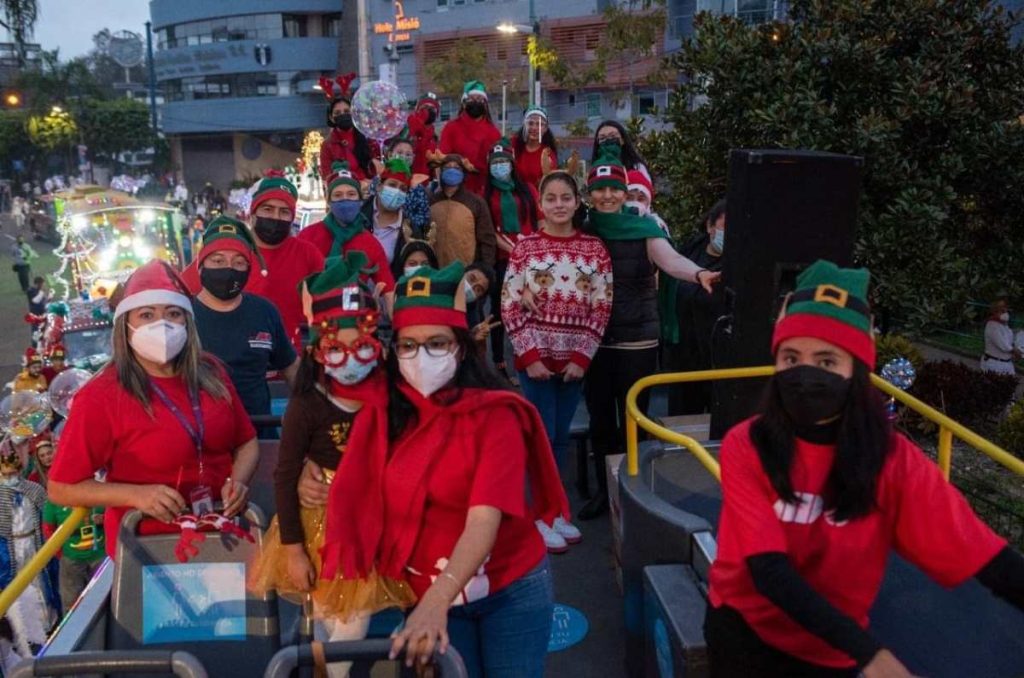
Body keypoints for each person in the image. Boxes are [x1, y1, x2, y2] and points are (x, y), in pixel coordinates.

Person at [705, 259, 1024, 677]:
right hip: (745, 633)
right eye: (790, 357)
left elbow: (984, 556)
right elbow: (768, 571)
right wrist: (872, 655)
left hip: (830, 654)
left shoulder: (894, 461)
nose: (804, 374)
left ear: (856, 370)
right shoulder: (748, 443)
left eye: (826, 361)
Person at [319, 262, 569, 677]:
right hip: (422, 592)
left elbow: (483, 520)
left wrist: (435, 603)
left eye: (436, 342)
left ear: (461, 345)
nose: (421, 356)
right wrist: (314, 475)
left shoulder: (496, 415)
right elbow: (351, 473)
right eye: (408, 345)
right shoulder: (384, 412)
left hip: (508, 589)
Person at [249, 253, 414, 678]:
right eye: (335, 347)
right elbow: (284, 473)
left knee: (348, 633)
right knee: (333, 630)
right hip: (324, 527)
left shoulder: (394, 394)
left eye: (360, 343)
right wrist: (293, 548)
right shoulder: (308, 403)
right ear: (317, 350)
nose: (350, 356)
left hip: (380, 518)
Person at [47, 260, 259, 559]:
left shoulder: (212, 373)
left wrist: (238, 480)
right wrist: (135, 495)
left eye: (173, 314)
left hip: (220, 537)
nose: (162, 325)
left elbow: (246, 442)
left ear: (187, 321)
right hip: (148, 551)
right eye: (147, 315)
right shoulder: (101, 395)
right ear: (126, 325)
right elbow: (61, 487)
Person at [579, 147, 719, 519]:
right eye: (600, 189)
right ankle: (602, 491)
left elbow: (670, 261)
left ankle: (636, 492)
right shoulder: (583, 227)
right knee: (600, 419)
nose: (607, 196)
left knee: (634, 418)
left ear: (625, 193)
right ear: (590, 193)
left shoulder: (645, 229)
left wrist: (699, 273)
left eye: (614, 189)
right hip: (594, 341)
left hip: (637, 339)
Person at [502, 170, 613, 551]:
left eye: (566, 197)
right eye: (551, 198)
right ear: (541, 204)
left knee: (560, 438)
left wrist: (583, 357)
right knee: (541, 438)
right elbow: (510, 305)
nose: (559, 205)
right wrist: (530, 355)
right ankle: (537, 515)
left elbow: (601, 306)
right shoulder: (525, 249)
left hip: (572, 364)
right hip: (536, 363)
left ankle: (555, 510)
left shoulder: (595, 251)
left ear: (577, 201)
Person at [183, 172, 325, 353]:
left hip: (290, 360)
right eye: (267, 209)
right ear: (253, 212)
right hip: (229, 363)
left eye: (284, 212)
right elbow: (181, 293)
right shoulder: (228, 252)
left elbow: (325, 303)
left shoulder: (308, 254)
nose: (275, 217)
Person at [191, 216, 300, 422]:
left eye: (239, 262)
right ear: (201, 265)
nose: (229, 269)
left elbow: (290, 367)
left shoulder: (264, 311)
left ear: (248, 269)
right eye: (218, 261)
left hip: (259, 428)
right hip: (202, 437)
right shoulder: (182, 314)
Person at [484, 138, 540, 378]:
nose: (500, 166)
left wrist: (530, 248)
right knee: (500, 311)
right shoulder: (485, 193)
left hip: (531, 258)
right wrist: (511, 249)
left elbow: (540, 221)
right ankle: (500, 363)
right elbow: (488, 229)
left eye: (504, 161)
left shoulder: (527, 189)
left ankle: (530, 357)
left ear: (512, 163)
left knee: (529, 309)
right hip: (503, 258)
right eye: (495, 162)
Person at [665, 199, 727, 415]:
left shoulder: (739, 261)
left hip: (716, 357)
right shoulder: (691, 249)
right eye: (725, 227)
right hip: (683, 353)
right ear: (710, 226)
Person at [297, 161, 396, 294]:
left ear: (360, 200)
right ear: (329, 201)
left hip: (355, 312)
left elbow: (387, 288)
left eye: (351, 194)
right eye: (338, 195)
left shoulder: (370, 243)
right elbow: (293, 279)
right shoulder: (308, 236)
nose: (345, 200)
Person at [0, 445, 60, 655]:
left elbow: (47, 514)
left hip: (34, 542)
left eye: (13, 473)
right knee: (19, 589)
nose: (11, 478)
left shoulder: (33, 489)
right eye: (6, 475)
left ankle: (49, 624)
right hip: (11, 547)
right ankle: (25, 635)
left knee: (41, 584)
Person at [430, 154, 496, 269]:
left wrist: (486, 269)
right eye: (447, 167)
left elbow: (487, 239)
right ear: (441, 172)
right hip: (434, 271)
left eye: (456, 168)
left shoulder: (476, 202)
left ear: (463, 173)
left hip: (466, 270)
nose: (452, 170)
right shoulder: (431, 200)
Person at [438, 81, 501, 195]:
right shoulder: (451, 128)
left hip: (485, 190)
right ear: (463, 103)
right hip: (455, 188)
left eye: (480, 99)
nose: (476, 102)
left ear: (486, 105)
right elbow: (442, 158)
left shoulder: (494, 132)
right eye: (471, 99)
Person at [318, 73, 378, 183]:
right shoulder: (328, 145)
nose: (343, 115)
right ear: (331, 118)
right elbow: (327, 177)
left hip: (369, 191)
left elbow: (378, 168)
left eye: (346, 111)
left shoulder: (368, 138)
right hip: (346, 193)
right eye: (337, 112)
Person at [512, 106, 559, 190]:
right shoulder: (513, 145)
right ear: (524, 125)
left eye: (539, 124)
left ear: (545, 128)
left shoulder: (547, 154)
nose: (534, 128)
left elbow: (548, 183)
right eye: (530, 123)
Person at [406, 93, 441, 176]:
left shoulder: (437, 138)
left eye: (432, 108)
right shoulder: (409, 130)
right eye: (424, 107)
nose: (428, 110)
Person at [626, 170, 669, 236]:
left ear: (648, 202)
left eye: (640, 199)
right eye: (629, 198)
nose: (635, 203)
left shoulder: (657, 225)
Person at [982, 299, 1018, 375]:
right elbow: (1004, 345)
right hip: (995, 364)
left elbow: (1010, 338)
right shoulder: (992, 325)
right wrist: (1017, 351)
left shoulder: (1004, 325)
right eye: (1001, 309)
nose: (1005, 311)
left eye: (1005, 308)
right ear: (994, 311)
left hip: (1007, 363)